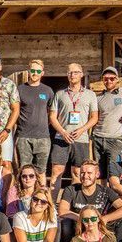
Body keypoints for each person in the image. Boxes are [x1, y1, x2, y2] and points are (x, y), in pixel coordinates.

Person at [57, 160, 122, 242]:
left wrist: (104, 219)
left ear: (97, 174)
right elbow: (62, 211)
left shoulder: (105, 191)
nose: (85, 176)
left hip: (100, 226)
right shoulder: (71, 190)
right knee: (66, 222)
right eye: (82, 173)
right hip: (79, 226)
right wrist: (85, 219)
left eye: (89, 173)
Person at [49, 62, 98, 190]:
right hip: (61, 138)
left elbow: (94, 118)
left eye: (75, 72)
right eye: (70, 72)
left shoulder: (90, 95)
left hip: (81, 139)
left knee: (78, 172)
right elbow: (52, 117)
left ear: (81, 74)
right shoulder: (60, 94)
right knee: (56, 171)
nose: (72, 75)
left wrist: (82, 130)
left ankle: (73, 200)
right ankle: (52, 201)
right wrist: (63, 132)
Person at [93, 66, 122, 178]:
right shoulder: (98, 97)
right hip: (98, 137)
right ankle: (103, 190)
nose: (109, 81)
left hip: (115, 138)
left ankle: (114, 190)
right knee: (100, 173)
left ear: (117, 79)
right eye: (106, 79)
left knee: (114, 171)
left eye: (112, 78)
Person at [15, 59, 54, 183]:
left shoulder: (48, 91)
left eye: (38, 71)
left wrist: (43, 124)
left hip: (43, 137)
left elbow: (52, 112)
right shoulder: (20, 89)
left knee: (41, 172)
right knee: (24, 171)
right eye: (33, 70)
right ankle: (24, 195)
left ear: (42, 73)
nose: (35, 73)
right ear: (29, 71)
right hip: (23, 136)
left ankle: (42, 194)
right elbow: (14, 111)